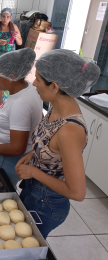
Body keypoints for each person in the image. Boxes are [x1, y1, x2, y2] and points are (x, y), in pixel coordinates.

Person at [15, 49, 100, 238]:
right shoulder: (54, 107)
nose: (34, 83)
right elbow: (48, 144)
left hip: (47, 203)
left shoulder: (70, 131)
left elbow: (77, 192)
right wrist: (32, 155)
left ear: (54, 86)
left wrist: (34, 172)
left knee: (27, 246)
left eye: (37, 79)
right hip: (33, 190)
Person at [0, 48, 43, 190]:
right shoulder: (29, 89)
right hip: (6, 154)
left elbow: (17, 148)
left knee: (0, 192)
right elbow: (41, 121)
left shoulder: (20, 103)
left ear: (12, 77)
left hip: (7, 159)